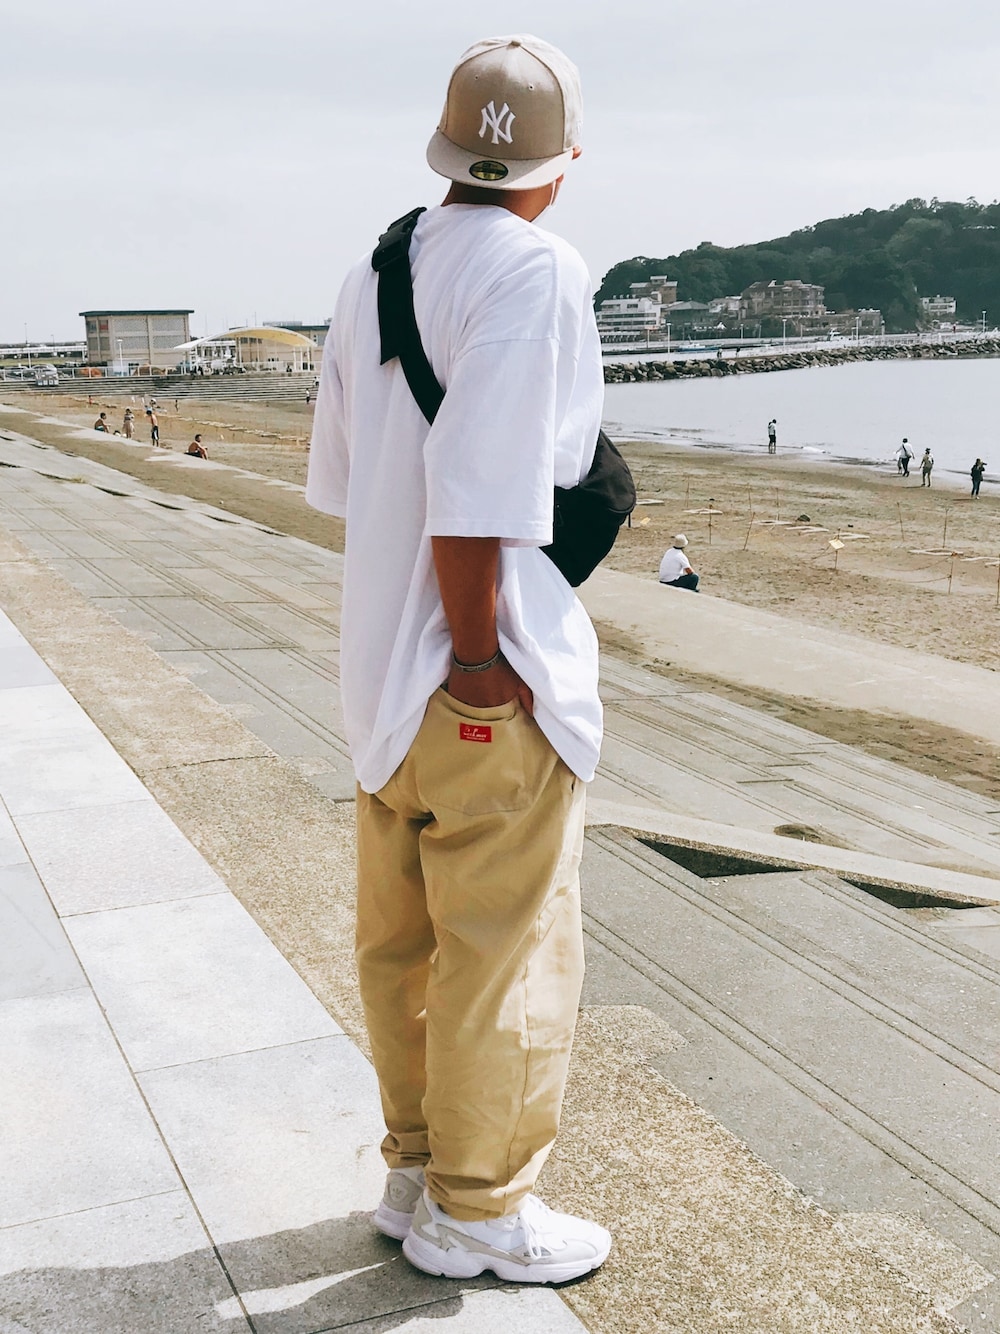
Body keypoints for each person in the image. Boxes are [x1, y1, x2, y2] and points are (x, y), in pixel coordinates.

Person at [306, 33, 611, 1285]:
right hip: (472, 672)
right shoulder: (536, 268)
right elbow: (479, 491)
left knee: (405, 947)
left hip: (378, 674)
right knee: (508, 954)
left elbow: (342, 480)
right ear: (563, 160)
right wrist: (482, 662)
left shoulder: (376, 267)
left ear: (446, 147)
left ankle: (417, 1170)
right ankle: (480, 1211)